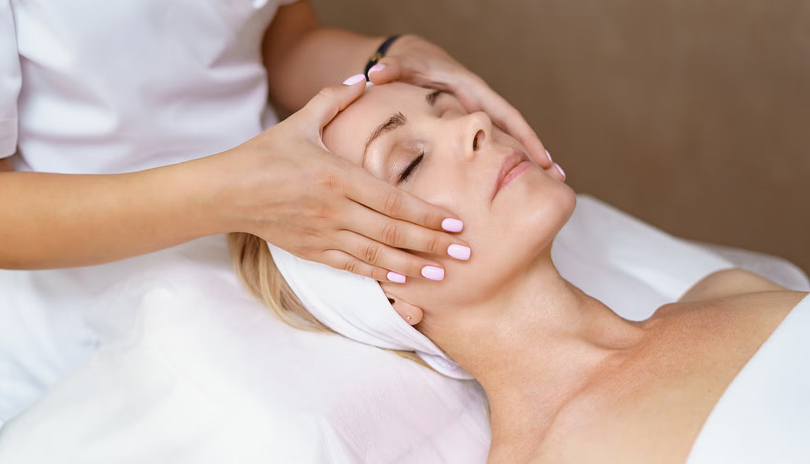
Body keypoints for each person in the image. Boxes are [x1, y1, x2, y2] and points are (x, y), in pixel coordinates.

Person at [0, 0, 553, 422]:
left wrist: (390, 57)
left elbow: (283, 43)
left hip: (293, 240)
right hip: (74, 315)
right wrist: (232, 193)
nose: (474, 128)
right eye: (407, 165)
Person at [229, 81, 809, 464]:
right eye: (409, 163)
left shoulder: (729, 290)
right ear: (384, 294)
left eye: (448, 108)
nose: (474, 123)